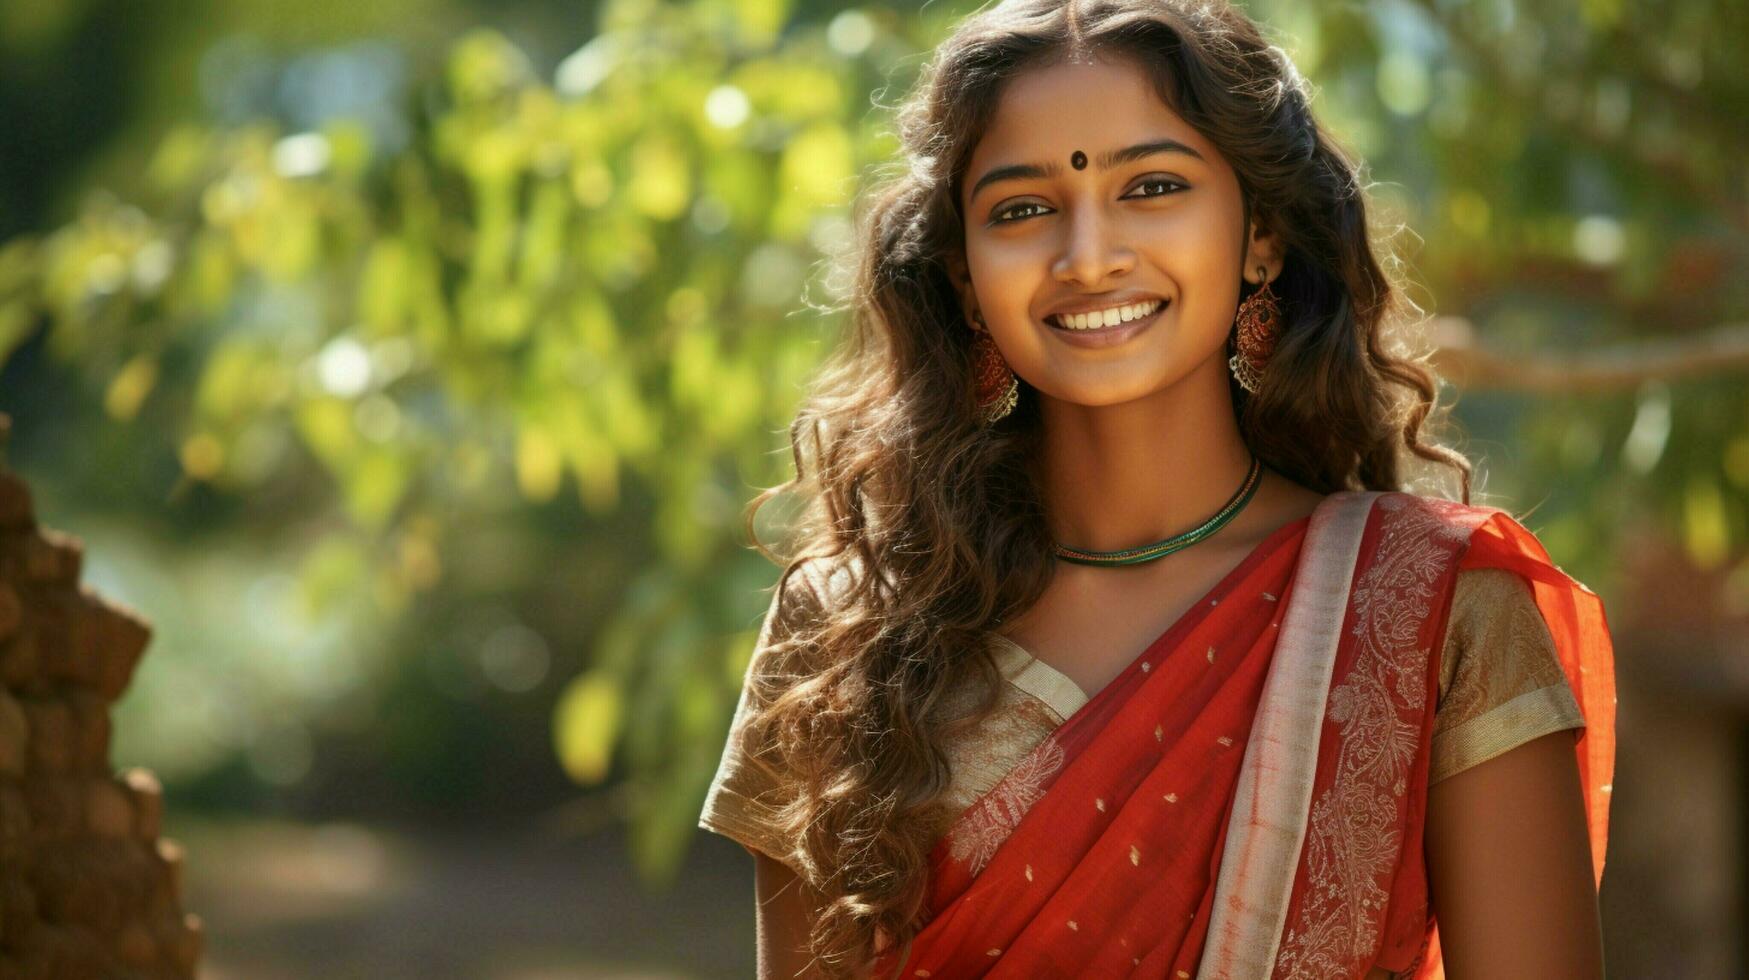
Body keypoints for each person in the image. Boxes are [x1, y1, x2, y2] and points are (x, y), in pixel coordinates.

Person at [696, 1, 1617, 977]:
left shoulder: (1431, 609)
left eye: (1153, 187)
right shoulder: (848, 629)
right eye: (1021, 208)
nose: (1089, 254)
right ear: (966, 276)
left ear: (1260, 235)